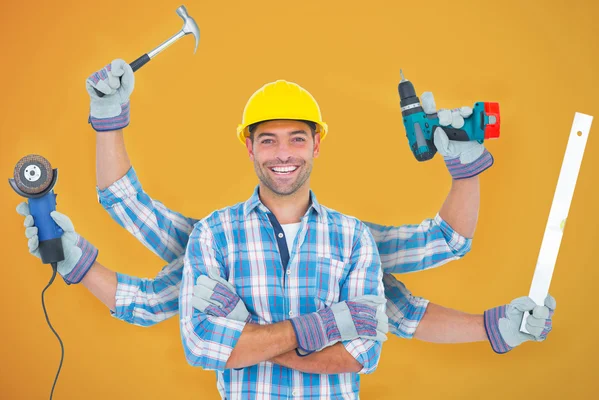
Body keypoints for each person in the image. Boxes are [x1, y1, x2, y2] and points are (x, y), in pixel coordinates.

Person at [17, 59, 556, 397]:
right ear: (248, 146)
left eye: (297, 138)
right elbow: (179, 323)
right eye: (268, 139)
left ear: (317, 144)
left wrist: (465, 167)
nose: (283, 153)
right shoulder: (213, 236)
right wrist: (108, 117)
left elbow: (394, 313)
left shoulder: (352, 240)